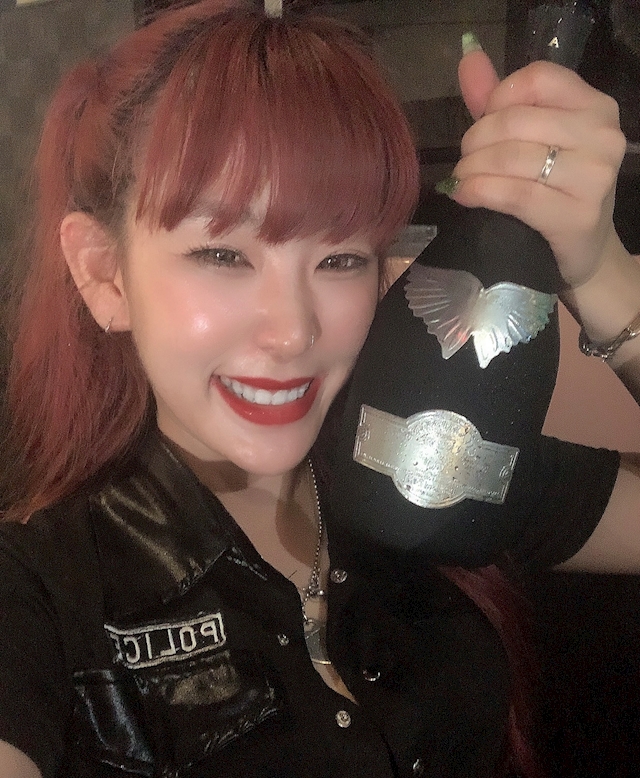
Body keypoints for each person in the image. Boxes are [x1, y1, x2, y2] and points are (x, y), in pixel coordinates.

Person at [0, 2, 639, 776]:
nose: (294, 331)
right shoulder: (38, 591)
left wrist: (604, 275)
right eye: (223, 255)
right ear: (105, 275)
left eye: (340, 259)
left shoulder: (427, 468)